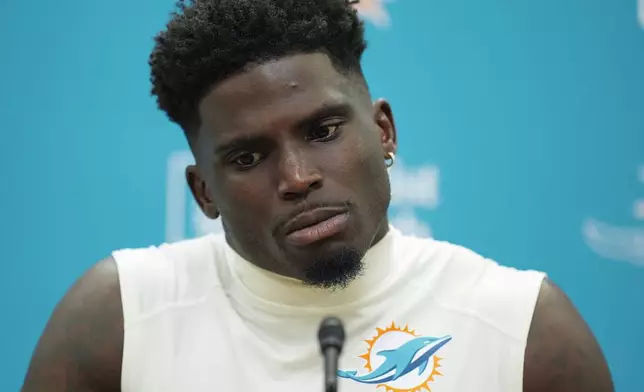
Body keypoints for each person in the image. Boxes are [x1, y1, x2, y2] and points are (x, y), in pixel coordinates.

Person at [21, 0, 614, 391]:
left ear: (384, 131)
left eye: (323, 131)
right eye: (248, 157)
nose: (298, 177)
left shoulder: (524, 328)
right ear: (204, 192)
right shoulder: (119, 319)